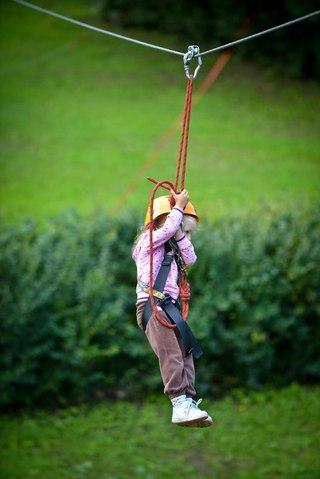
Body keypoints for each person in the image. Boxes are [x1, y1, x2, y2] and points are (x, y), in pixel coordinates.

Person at [132, 189, 213, 427]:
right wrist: (178, 207)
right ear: (162, 221)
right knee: (171, 354)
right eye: (182, 230)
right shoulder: (146, 243)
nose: (184, 236)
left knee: (186, 351)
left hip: (169, 306)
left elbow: (191, 258)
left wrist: (179, 233)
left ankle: (187, 399)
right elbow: (167, 230)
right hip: (152, 304)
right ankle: (178, 402)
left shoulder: (173, 245)